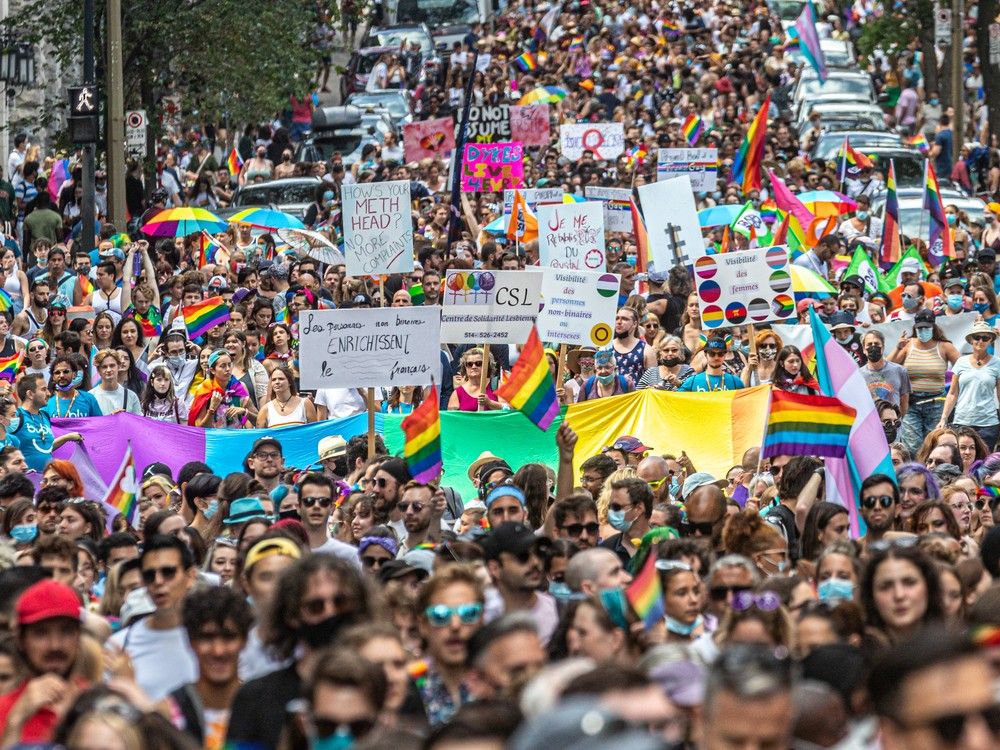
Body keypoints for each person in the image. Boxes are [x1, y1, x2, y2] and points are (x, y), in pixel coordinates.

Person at [226, 554, 373, 749]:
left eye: (341, 602)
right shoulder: (256, 697)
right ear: (292, 616)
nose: (331, 613)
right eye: (316, 606)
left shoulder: (386, 687)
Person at [166, 586, 253, 748]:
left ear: (244, 640)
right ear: (190, 641)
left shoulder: (263, 708)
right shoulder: (169, 713)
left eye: (229, 637)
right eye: (207, 637)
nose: (218, 651)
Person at [0, 579, 84, 745]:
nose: (55, 645)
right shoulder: (5, 710)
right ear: (21, 640)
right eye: (41, 633)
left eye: (66, 631)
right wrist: (16, 720)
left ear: (78, 636)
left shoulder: (98, 702)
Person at [412, 563, 484, 726]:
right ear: (423, 624)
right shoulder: (405, 688)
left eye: (468, 613)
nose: (455, 625)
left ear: (481, 620)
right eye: (440, 615)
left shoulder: (500, 686)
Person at [482, 522, 558, 644]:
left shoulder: (559, 612)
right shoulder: (481, 620)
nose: (535, 562)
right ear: (495, 568)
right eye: (522, 556)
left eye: (539, 553)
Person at [940, 321, 1000, 449]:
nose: (980, 341)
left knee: (983, 463)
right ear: (971, 340)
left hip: (988, 423)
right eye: (977, 337)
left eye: (985, 338)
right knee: (961, 461)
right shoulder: (961, 362)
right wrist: (943, 418)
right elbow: (952, 393)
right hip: (962, 421)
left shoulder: (997, 363)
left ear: (990, 341)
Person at [677, 338, 744, 392]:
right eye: (712, 354)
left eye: (720, 354)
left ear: (725, 355)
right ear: (705, 354)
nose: (716, 357)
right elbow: (676, 401)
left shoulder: (735, 382)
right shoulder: (692, 382)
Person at [88, 349, 141, 415]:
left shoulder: (131, 396)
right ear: (98, 370)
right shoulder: (90, 396)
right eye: (104, 367)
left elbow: (138, 422)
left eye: (112, 365)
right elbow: (88, 423)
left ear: (118, 366)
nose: (109, 370)